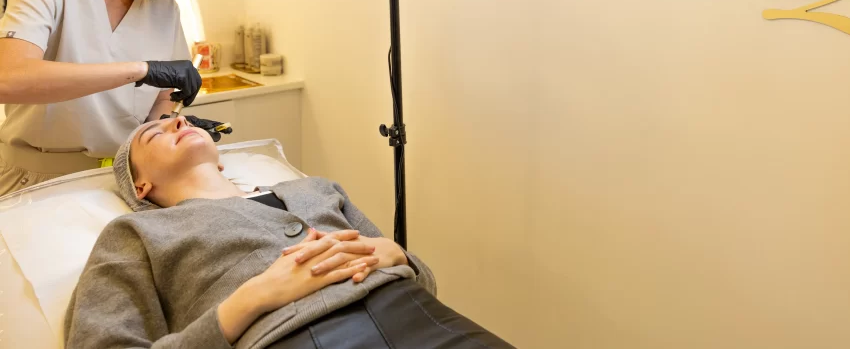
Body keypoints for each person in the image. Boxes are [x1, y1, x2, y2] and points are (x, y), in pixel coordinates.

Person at [63, 116, 515, 349]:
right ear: (141, 186)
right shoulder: (134, 232)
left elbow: (422, 278)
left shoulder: (314, 189)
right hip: (294, 338)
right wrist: (250, 300)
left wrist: (397, 254)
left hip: (421, 316)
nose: (180, 122)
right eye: (155, 134)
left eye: (181, 120)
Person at [0, 0, 225, 195]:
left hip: (120, 181)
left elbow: (162, 98)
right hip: (36, 180)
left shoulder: (165, 10)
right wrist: (142, 70)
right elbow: (8, 80)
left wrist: (173, 129)